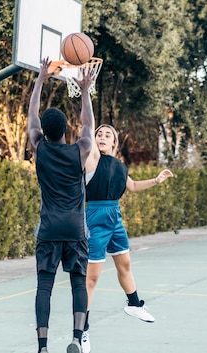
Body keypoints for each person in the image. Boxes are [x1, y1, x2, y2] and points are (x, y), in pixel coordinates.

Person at [81, 123, 173, 353]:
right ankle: (82, 329)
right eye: (98, 134)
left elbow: (131, 186)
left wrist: (155, 180)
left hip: (115, 217)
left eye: (107, 135)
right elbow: (88, 125)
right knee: (91, 278)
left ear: (114, 142)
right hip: (95, 217)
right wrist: (85, 93)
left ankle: (134, 304)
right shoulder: (91, 160)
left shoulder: (120, 167)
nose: (102, 137)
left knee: (126, 265)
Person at [27, 57, 95, 353]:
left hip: (49, 229)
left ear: (45, 130)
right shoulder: (79, 151)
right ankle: (77, 339)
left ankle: (43, 347)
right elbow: (89, 126)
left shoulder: (39, 148)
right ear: (66, 130)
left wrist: (41, 78)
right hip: (75, 228)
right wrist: (86, 90)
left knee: (44, 287)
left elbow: (31, 117)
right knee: (78, 284)